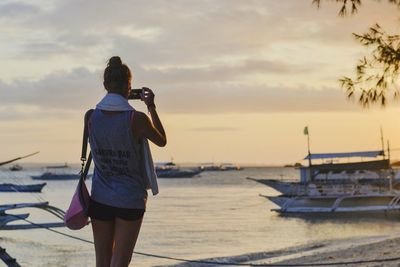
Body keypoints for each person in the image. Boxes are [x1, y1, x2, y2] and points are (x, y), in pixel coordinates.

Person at [86, 56, 166, 267]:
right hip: (129, 199)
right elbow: (162, 140)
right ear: (129, 87)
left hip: (100, 197)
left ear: (104, 86)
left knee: (102, 262)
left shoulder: (90, 117)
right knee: (120, 261)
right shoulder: (137, 119)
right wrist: (151, 107)